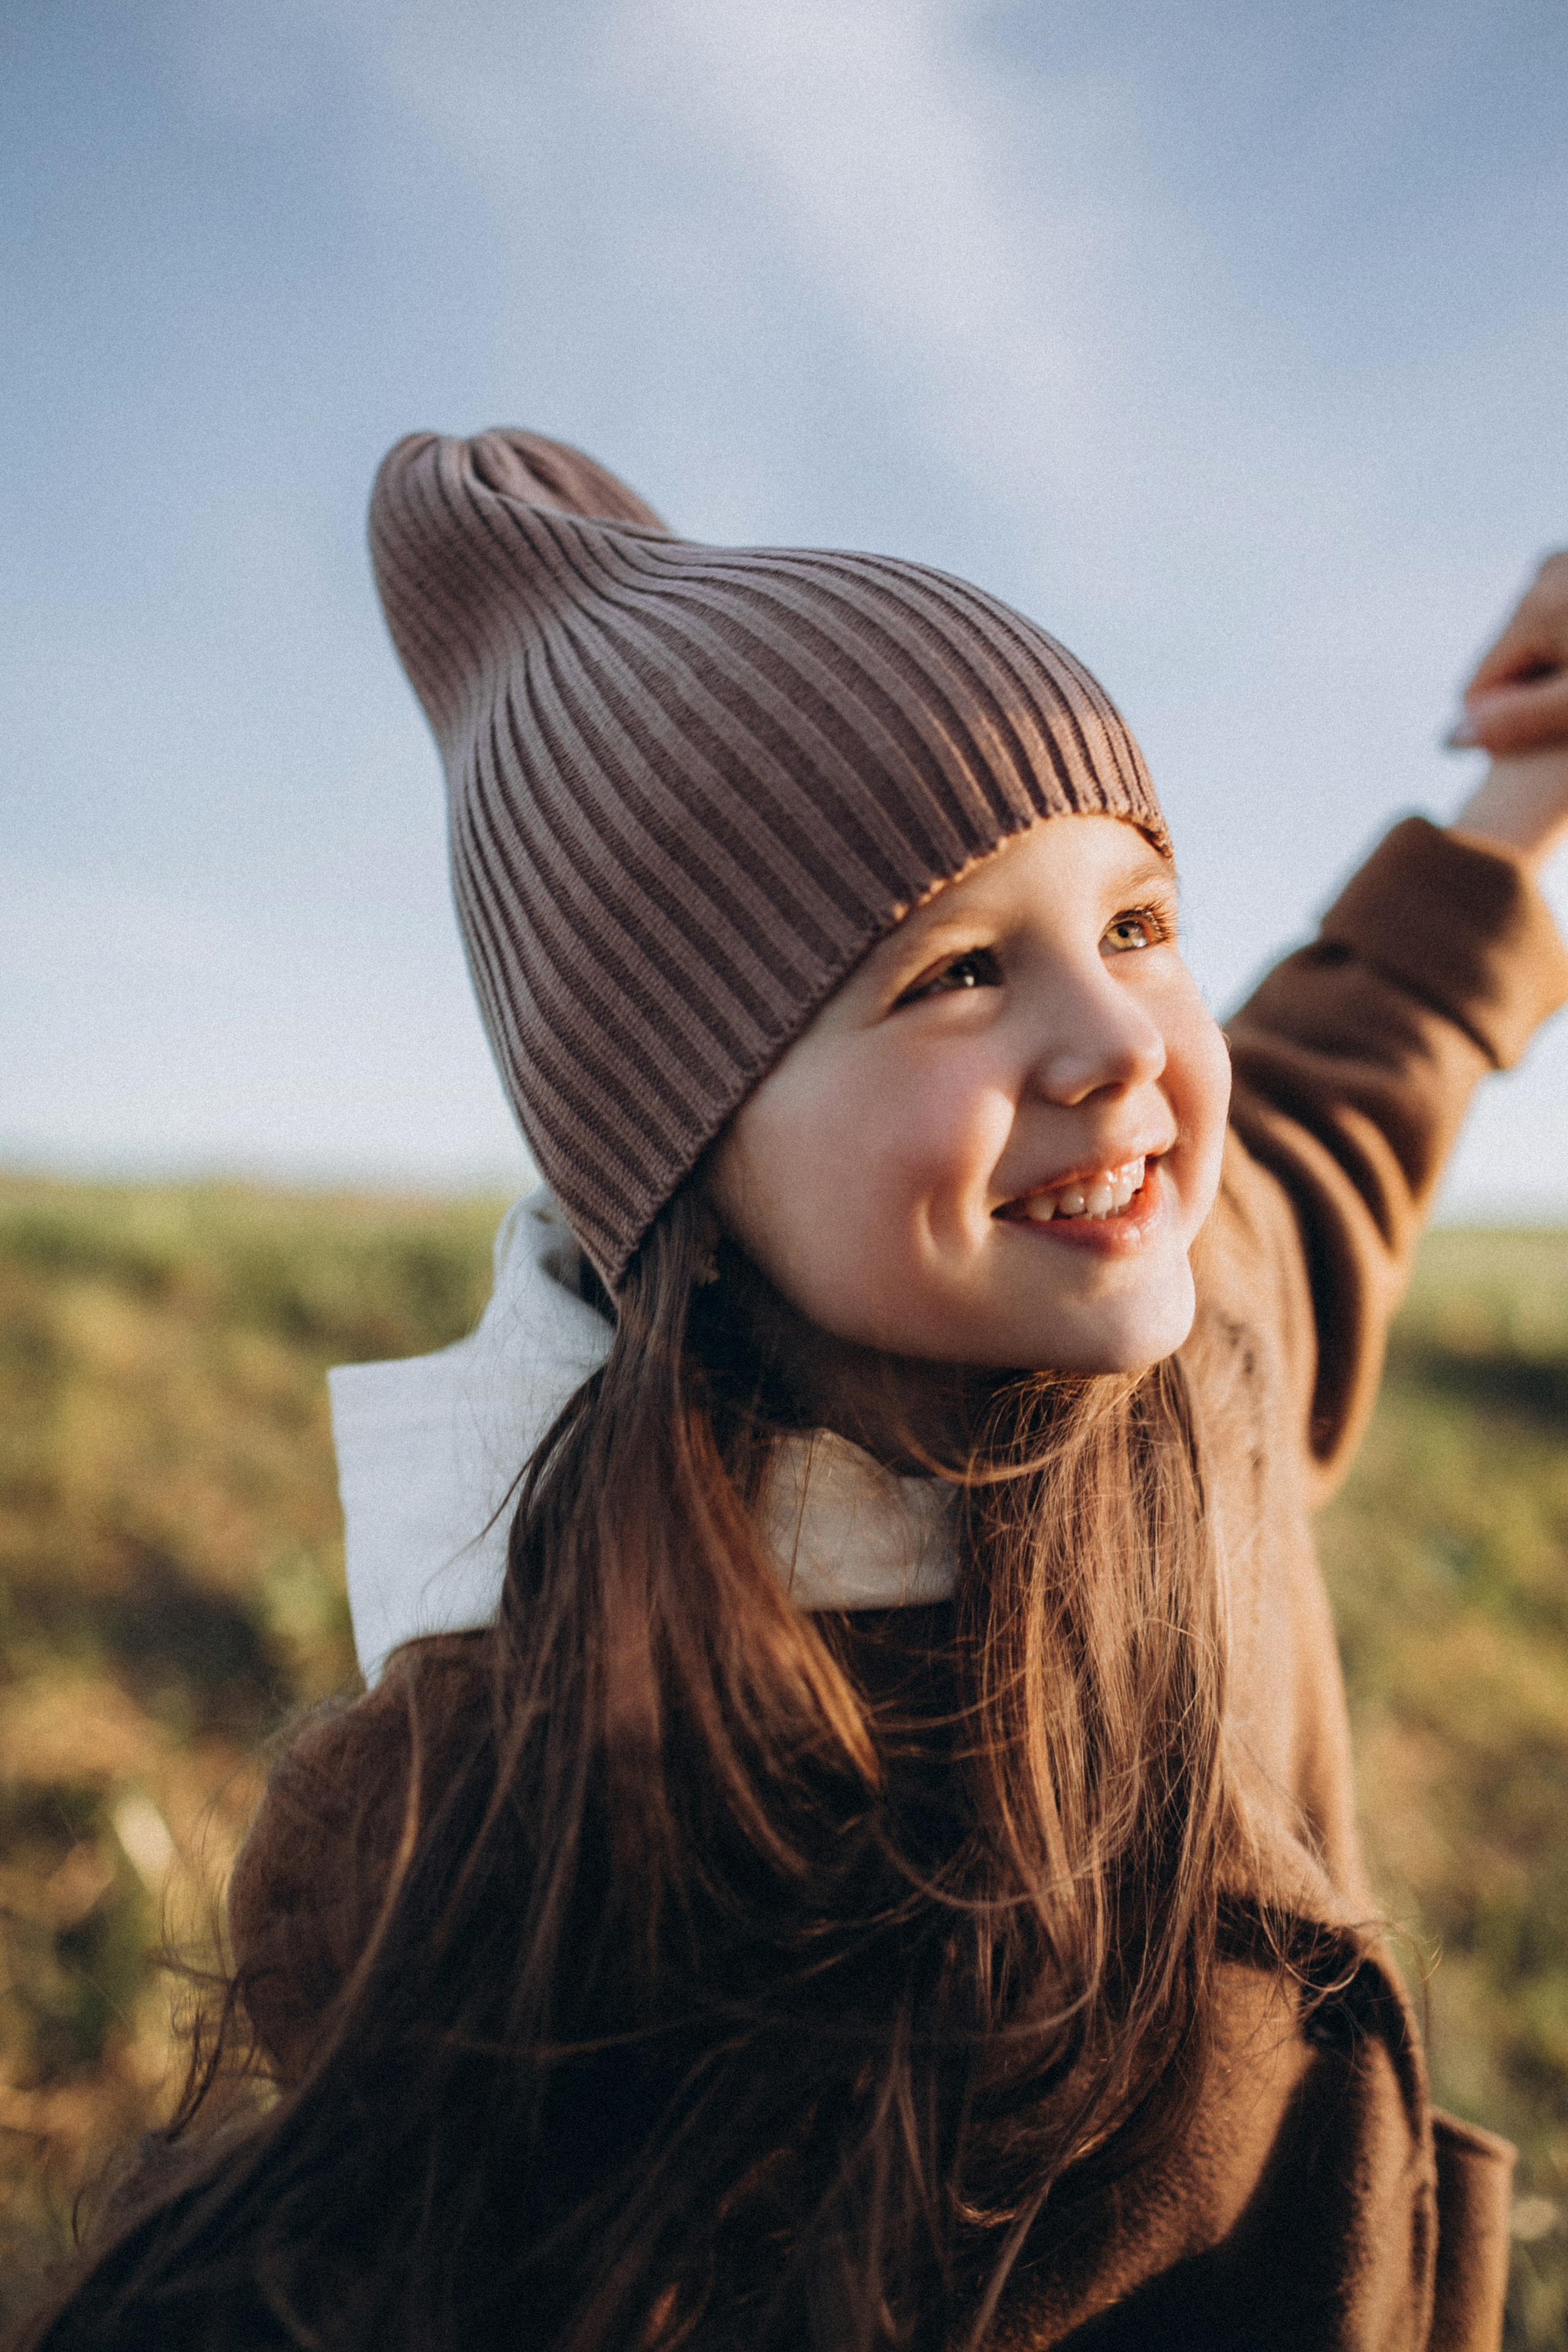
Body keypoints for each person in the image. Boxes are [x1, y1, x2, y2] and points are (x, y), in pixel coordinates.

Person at [17, 445, 1568, 2352]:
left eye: (1137, 924)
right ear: (686, 1150)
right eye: (958, 972)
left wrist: (1532, 777)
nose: (1116, 1042)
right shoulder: (539, 1760)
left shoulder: (1191, 1307)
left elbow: (1339, 1087)